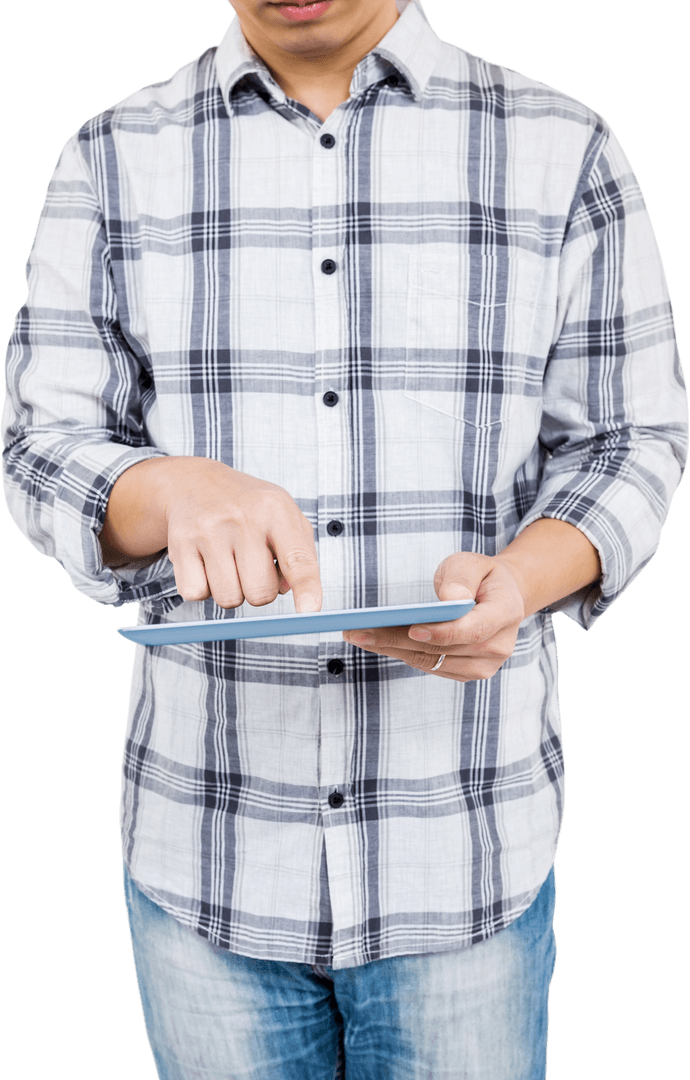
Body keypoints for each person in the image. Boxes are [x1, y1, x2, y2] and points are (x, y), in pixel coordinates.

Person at [2, 0, 687, 1076]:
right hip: (207, 850)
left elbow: (632, 438)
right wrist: (162, 485)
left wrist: (521, 577)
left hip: (464, 843)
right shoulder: (110, 154)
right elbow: (43, 443)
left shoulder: (563, 145)